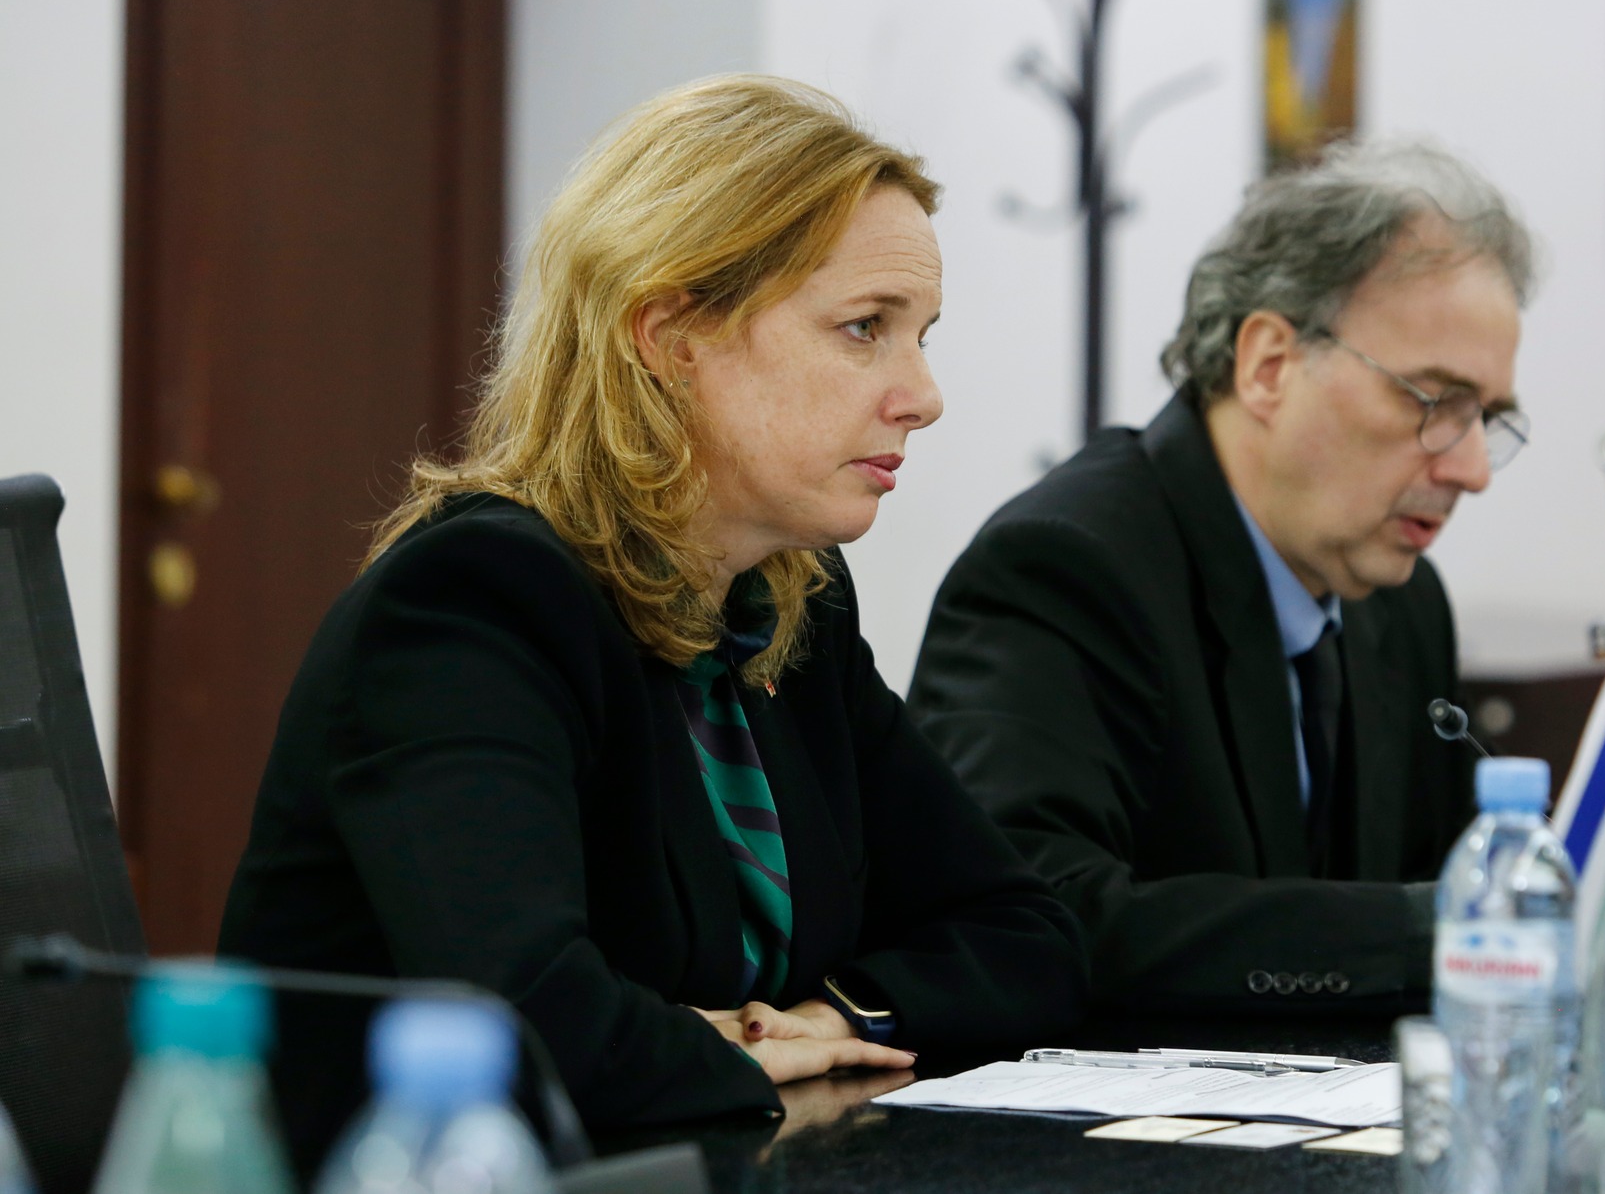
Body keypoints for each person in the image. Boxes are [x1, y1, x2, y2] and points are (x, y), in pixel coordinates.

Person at [219, 76, 1087, 1148]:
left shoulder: (788, 599)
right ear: (672, 338)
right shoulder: (470, 601)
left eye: (922, 335)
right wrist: (719, 1053)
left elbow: (1026, 935)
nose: (923, 394)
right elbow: (527, 1022)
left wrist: (830, 1017)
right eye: (865, 327)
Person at [907, 137, 1534, 1013]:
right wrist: (1418, 931)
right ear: (1269, 366)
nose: (1472, 468)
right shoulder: (1066, 569)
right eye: (1433, 401)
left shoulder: (1401, 600)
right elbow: (1030, 921)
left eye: (1489, 418)